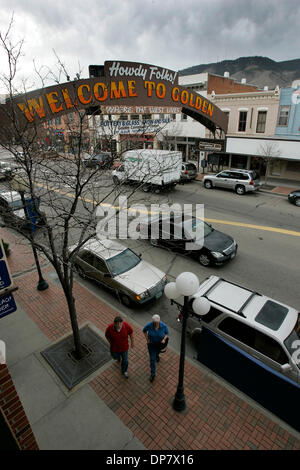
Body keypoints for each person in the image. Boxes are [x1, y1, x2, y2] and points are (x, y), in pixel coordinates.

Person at [143, 314, 169, 383]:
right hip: (151, 345)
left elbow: (167, 333)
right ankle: (153, 374)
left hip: (159, 345)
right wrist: (147, 339)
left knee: (157, 353)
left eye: (156, 322)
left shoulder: (163, 326)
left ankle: (157, 355)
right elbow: (144, 330)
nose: (155, 323)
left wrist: (164, 339)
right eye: (154, 322)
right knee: (152, 359)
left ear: (159, 321)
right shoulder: (149, 325)